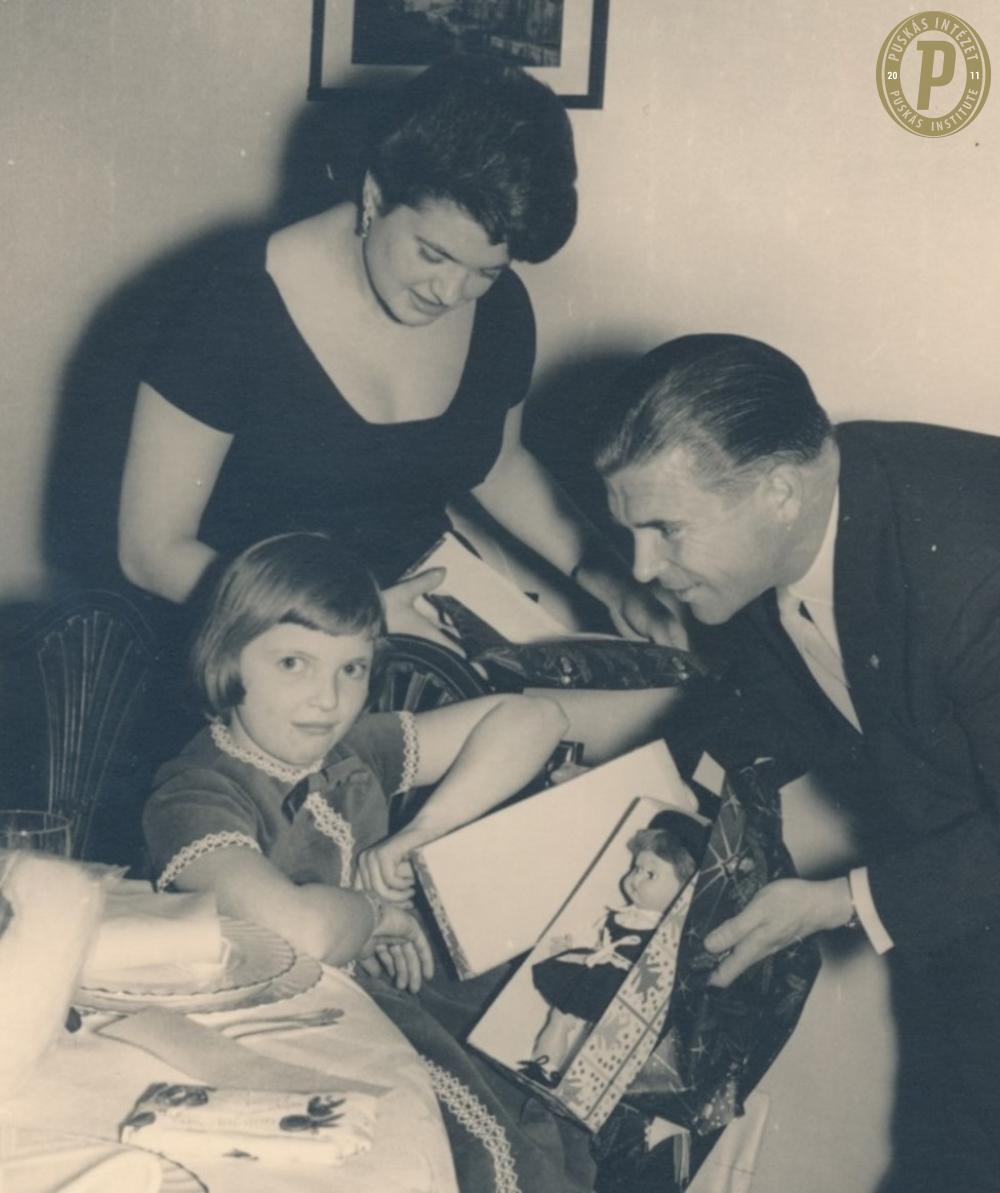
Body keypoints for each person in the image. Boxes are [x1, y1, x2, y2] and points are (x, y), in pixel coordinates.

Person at [589, 332, 1000, 1193]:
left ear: (777, 489)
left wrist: (841, 900)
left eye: (665, 530)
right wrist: (628, 798)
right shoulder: (810, 517)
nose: (643, 567)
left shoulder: (975, 570)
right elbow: (794, 690)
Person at [118, 54, 678, 650]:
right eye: (433, 254)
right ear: (375, 193)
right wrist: (348, 618)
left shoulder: (500, 310)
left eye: (486, 270)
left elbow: (497, 461)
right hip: (247, 641)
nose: (451, 292)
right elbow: (150, 552)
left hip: (414, 620)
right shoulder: (231, 310)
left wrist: (609, 580)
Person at [143, 531, 598, 1191]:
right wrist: (375, 914)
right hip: (266, 1034)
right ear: (227, 656)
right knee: (459, 1139)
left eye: (352, 668)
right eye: (293, 663)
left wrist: (422, 831)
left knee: (531, 1083)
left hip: (374, 1001)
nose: (328, 699)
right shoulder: (195, 791)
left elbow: (539, 717)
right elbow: (303, 932)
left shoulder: (349, 751)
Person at [525, 811, 703, 1086]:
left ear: (684, 890)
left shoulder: (666, 935)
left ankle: (581, 1083)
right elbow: (599, 940)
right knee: (560, 1016)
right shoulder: (622, 915)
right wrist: (572, 949)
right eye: (635, 868)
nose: (635, 879)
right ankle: (543, 1068)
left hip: (626, 991)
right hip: (596, 975)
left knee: (601, 1039)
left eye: (650, 874)